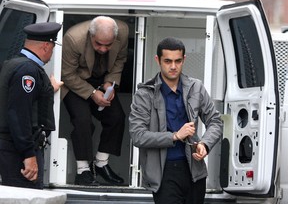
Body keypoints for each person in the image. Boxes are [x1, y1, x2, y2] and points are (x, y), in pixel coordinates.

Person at [129, 37, 223, 204]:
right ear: (158, 60)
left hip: (194, 170)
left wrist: (205, 144)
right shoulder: (144, 94)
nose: (173, 66)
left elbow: (215, 121)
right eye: (167, 61)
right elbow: (137, 135)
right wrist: (174, 136)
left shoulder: (196, 87)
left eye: (178, 61)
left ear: (184, 60)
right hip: (163, 173)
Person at [61, 16, 129, 186]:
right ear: (90, 36)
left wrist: (109, 83)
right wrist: (92, 93)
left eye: (108, 45)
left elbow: (120, 60)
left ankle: (101, 163)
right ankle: (82, 170)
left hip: (101, 80)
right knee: (83, 121)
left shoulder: (124, 32)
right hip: (75, 82)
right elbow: (67, 74)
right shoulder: (73, 38)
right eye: (99, 44)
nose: (104, 49)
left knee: (117, 117)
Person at [0, 22, 63, 189]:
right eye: (52, 47)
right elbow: (19, 114)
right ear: (45, 46)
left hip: (12, 148)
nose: (51, 52)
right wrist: (28, 154)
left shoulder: (14, 64)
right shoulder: (28, 71)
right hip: (17, 152)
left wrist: (48, 89)